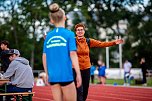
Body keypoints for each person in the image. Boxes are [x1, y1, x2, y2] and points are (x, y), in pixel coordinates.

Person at [42, 3, 81, 101]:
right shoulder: (69, 34)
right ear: (65, 18)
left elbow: (44, 56)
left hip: (53, 76)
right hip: (66, 75)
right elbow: (73, 54)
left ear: (51, 20)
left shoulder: (48, 37)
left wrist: (47, 74)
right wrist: (78, 74)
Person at [74, 23, 123, 101]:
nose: (80, 31)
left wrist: (114, 42)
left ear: (84, 31)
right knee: (78, 89)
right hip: (76, 69)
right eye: (78, 30)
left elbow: (101, 44)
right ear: (76, 32)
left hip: (86, 68)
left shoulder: (88, 41)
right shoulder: (72, 41)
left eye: (81, 30)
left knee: (85, 89)